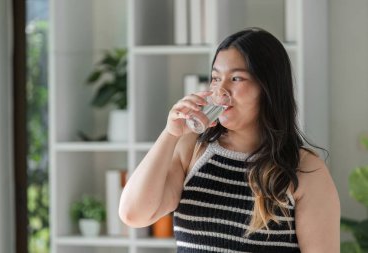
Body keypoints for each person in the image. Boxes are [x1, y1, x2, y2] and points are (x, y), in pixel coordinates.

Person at [119, 28, 340, 253]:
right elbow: (133, 214)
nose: (221, 90)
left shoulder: (305, 169)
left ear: (267, 88)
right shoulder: (192, 150)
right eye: (216, 78)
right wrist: (170, 134)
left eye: (236, 78)